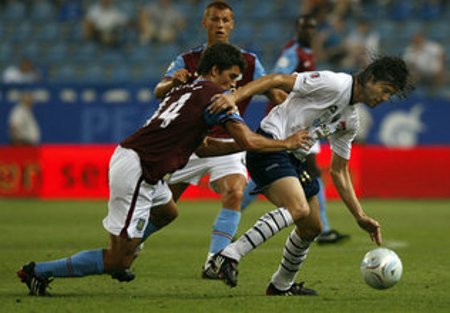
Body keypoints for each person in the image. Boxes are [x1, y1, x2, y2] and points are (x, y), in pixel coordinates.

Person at [16, 42, 312, 296]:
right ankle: (38, 272)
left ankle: (126, 248)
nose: (235, 87)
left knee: (168, 211)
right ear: (213, 72)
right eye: (231, 78)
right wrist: (286, 143)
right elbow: (246, 138)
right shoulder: (218, 97)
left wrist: (243, 146)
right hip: (140, 169)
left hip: (140, 161)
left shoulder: (185, 88)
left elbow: (203, 147)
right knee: (118, 261)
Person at [208, 56, 413, 295]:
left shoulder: (351, 120)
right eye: (385, 90)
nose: (384, 98)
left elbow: (339, 171)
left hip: (294, 158)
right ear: (370, 78)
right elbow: (275, 80)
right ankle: (227, 256)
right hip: (271, 144)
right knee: (299, 208)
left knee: (312, 226)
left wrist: (360, 216)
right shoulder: (334, 83)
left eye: (389, 94)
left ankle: (281, 285)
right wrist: (233, 96)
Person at [150, 1, 286, 279]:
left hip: (228, 141)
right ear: (205, 23)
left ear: (232, 24)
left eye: (225, 20)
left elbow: (274, 94)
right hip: (189, 143)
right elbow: (158, 91)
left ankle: (215, 261)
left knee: (235, 191)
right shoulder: (186, 60)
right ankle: (129, 247)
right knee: (165, 208)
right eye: (215, 19)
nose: (220, 25)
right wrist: (173, 82)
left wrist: (296, 109)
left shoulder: (248, 62)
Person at [240, 14, 349, 244]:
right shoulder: (292, 52)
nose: (309, 31)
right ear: (297, 30)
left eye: (312, 27)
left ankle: (234, 207)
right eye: (304, 27)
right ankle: (324, 228)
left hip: (303, 122)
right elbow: (278, 80)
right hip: (288, 123)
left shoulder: (308, 53)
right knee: (311, 171)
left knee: (284, 171)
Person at [403, 31, 445, 96]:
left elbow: (440, 56)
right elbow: (407, 63)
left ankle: (439, 94)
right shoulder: (410, 49)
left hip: (433, 71)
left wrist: (440, 67)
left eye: (418, 38)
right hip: (418, 72)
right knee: (409, 75)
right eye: (415, 39)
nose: (416, 40)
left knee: (440, 73)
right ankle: (411, 95)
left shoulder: (432, 46)